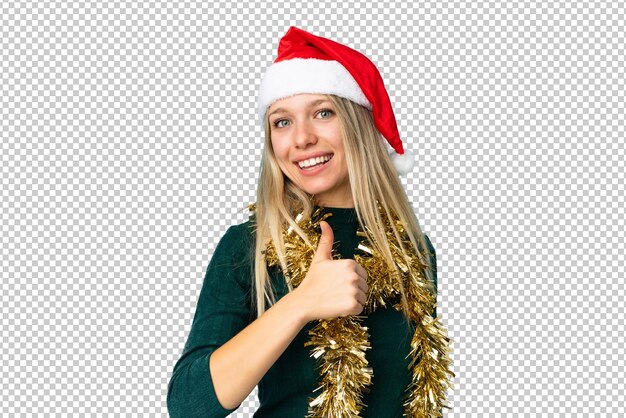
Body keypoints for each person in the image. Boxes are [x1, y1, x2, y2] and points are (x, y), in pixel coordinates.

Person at [167, 26, 453, 418]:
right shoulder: (251, 245)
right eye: (282, 122)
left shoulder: (412, 249)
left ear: (358, 123)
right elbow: (189, 404)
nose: (301, 138)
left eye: (322, 113)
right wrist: (301, 303)